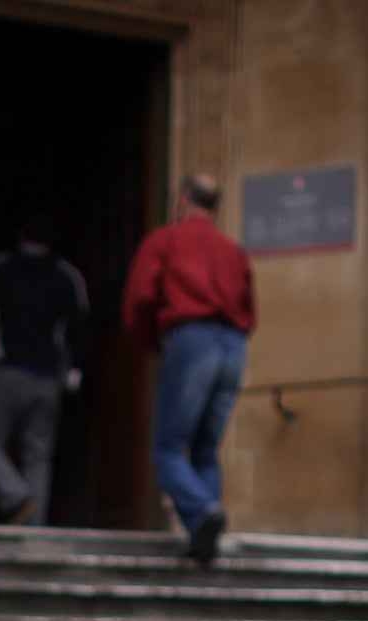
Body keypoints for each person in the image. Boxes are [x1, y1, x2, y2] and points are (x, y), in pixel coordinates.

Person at [121, 172, 256, 565]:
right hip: (233, 345)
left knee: (167, 447)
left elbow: (140, 298)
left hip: (191, 339)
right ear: (215, 205)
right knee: (205, 450)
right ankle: (204, 542)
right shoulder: (234, 251)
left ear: (182, 200)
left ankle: (202, 515)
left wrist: (153, 341)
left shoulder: (166, 239)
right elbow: (251, 308)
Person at [0, 224, 89, 525]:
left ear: (19, 235)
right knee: (39, 455)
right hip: (48, 377)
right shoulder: (68, 277)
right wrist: (74, 371)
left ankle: (16, 494)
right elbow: (79, 328)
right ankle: (35, 532)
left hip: (7, 370)